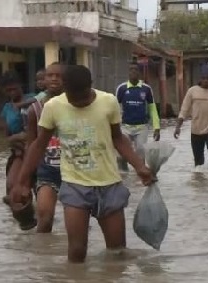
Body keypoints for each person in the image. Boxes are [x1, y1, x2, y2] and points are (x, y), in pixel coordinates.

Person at [11, 64, 154, 263]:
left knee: (117, 252)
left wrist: (139, 167)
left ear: (91, 86)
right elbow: (38, 145)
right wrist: (22, 182)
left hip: (109, 185)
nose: (78, 102)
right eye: (73, 98)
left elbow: (118, 138)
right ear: (64, 87)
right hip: (75, 186)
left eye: (83, 97)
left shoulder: (108, 102)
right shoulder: (53, 107)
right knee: (77, 252)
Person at [24, 62, 66, 233]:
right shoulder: (35, 109)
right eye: (50, 75)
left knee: (79, 221)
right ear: (44, 79)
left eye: (58, 75)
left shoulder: (77, 105)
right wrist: (27, 178)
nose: (54, 79)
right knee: (45, 218)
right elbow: (32, 144)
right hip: (47, 171)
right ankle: (41, 256)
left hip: (76, 172)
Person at [0, 74, 36, 230]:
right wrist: (14, 139)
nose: (12, 92)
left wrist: (27, 136)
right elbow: (6, 136)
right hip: (18, 150)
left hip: (37, 148)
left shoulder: (33, 99)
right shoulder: (6, 109)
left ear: (21, 86)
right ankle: (22, 220)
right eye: (8, 90)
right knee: (11, 187)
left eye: (15, 88)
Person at [115, 64, 161, 172]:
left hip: (142, 127)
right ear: (128, 72)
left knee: (140, 153)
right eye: (131, 70)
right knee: (121, 154)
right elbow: (115, 107)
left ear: (139, 73)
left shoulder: (146, 89)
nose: (133, 72)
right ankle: (124, 177)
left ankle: (139, 178)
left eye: (136, 70)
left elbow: (152, 108)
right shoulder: (122, 88)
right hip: (125, 126)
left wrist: (157, 126)